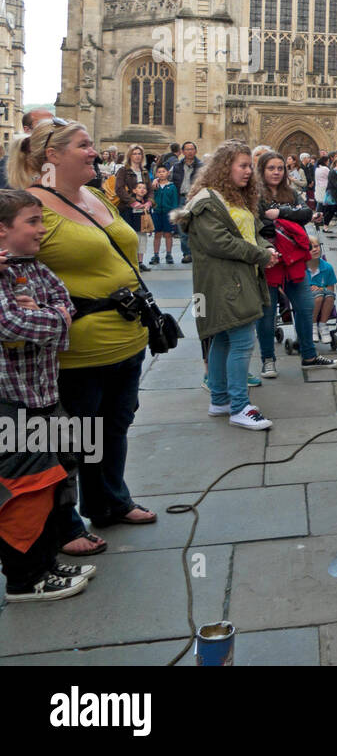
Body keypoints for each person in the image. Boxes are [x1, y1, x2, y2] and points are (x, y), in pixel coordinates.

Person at [19, 120, 155, 555]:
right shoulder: (32, 205)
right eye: (84, 145)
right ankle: (65, 524)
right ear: (52, 156)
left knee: (115, 425)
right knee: (73, 436)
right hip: (76, 347)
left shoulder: (94, 196)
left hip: (126, 337)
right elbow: (16, 264)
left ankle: (110, 501)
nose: (95, 152)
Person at [0, 190, 94, 601]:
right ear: (2, 230)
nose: (42, 230)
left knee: (54, 482)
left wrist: (47, 313)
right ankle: (25, 579)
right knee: (25, 491)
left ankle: (46, 563)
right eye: (32, 222)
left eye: (41, 220)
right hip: (12, 401)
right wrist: (51, 319)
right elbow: (12, 325)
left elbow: (63, 302)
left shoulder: (34, 267)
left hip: (44, 393)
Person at [173, 140, 280, 431]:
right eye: (243, 166)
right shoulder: (208, 201)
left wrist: (266, 248)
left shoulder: (234, 198)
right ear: (225, 167)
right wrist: (259, 254)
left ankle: (220, 399)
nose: (249, 172)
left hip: (237, 277)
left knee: (223, 338)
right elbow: (220, 242)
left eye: (249, 166)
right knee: (243, 341)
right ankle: (239, 406)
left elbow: (250, 232)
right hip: (224, 282)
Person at [255, 151, 337, 378]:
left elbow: (305, 212)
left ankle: (309, 356)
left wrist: (280, 213)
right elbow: (260, 224)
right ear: (262, 170)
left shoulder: (290, 192)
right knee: (267, 313)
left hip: (294, 259)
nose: (276, 172)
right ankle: (267, 359)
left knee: (304, 306)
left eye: (280, 168)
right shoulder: (254, 195)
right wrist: (284, 219)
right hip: (270, 258)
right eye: (271, 168)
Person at [0, 108, 53, 190]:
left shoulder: (54, 162)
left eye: (54, 124)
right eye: (43, 124)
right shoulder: (5, 168)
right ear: (27, 130)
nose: (51, 129)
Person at [171, 141, 201, 263]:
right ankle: (187, 253)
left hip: (196, 198)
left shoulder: (201, 166)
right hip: (181, 197)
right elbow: (169, 178)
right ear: (183, 152)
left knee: (197, 227)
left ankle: (197, 253)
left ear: (195, 151)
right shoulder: (177, 166)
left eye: (192, 149)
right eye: (187, 149)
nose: (189, 151)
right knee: (182, 227)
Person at [306, 237, 337, 339]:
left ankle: (323, 324)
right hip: (307, 298)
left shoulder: (327, 267)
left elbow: (330, 289)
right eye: (310, 248)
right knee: (318, 296)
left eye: (316, 246)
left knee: (330, 296)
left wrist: (321, 289)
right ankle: (312, 324)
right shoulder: (301, 268)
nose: (315, 249)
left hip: (324, 296)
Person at [150, 164, 180, 265]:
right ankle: (156, 254)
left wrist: (174, 214)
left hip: (168, 213)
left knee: (168, 234)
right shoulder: (154, 185)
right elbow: (150, 196)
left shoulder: (171, 186)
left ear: (168, 173)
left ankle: (168, 254)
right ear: (156, 174)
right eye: (159, 172)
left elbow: (175, 201)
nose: (161, 173)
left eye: (163, 171)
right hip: (157, 212)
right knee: (157, 234)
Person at [128, 181, 153, 271]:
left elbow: (149, 215)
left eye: (144, 188)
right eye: (139, 188)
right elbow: (128, 216)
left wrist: (149, 227)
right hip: (134, 228)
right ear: (134, 190)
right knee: (135, 246)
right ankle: (134, 264)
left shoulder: (147, 203)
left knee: (142, 246)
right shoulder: (132, 203)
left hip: (143, 228)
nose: (142, 189)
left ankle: (140, 262)